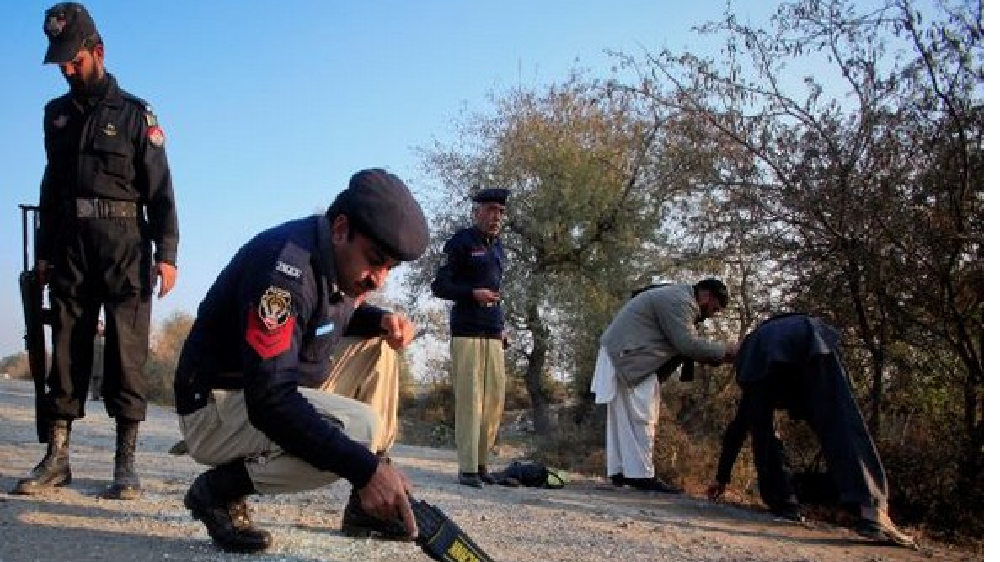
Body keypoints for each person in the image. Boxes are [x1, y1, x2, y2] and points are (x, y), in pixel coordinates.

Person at [173, 169, 428, 553]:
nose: (379, 280)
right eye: (375, 261)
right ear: (341, 228)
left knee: (380, 345)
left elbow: (324, 317)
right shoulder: (285, 274)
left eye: (390, 268)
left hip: (266, 388)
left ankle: (365, 507)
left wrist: (381, 321)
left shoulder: (334, 261)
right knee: (360, 431)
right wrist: (364, 469)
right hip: (217, 407)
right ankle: (217, 491)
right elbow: (271, 402)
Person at [13, 3, 180, 501]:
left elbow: (161, 189)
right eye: (60, 62)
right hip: (70, 245)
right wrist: (44, 252)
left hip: (126, 245)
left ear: (97, 52)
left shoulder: (135, 113)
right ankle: (57, 457)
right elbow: (51, 187)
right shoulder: (56, 116)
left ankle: (124, 465)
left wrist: (167, 253)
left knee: (126, 354)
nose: (66, 69)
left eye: (74, 60)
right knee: (66, 348)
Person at [706, 312, 915, 547]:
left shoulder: (752, 350)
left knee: (761, 429)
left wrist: (721, 478)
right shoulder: (770, 337)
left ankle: (785, 502)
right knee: (840, 422)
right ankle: (871, 511)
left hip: (791, 341)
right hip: (810, 338)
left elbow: (739, 427)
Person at [591, 279, 738, 493]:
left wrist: (721, 356)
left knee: (624, 417)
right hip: (630, 357)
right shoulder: (680, 302)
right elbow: (687, 344)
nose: (713, 314)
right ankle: (640, 475)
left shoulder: (679, 298)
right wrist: (728, 350)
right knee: (642, 417)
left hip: (625, 354)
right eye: (715, 308)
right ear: (707, 296)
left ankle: (622, 471)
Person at [430, 188, 509, 488]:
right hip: (466, 330)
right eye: (490, 210)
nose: (495, 217)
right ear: (476, 213)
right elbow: (439, 286)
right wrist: (471, 293)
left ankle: (482, 462)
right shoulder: (461, 242)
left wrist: (502, 328)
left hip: (492, 330)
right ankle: (467, 469)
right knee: (470, 399)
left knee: (493, 401)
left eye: (500, 212)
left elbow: (496, 291)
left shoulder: (499, 247)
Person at [89, 319, 105, 401]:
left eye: (100, 326)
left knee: (100, 380)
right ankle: (94, 395)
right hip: (94, 362)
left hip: (102, 362)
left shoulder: (104, 338)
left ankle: (99, 394)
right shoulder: (92, 338)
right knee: (93, 379)